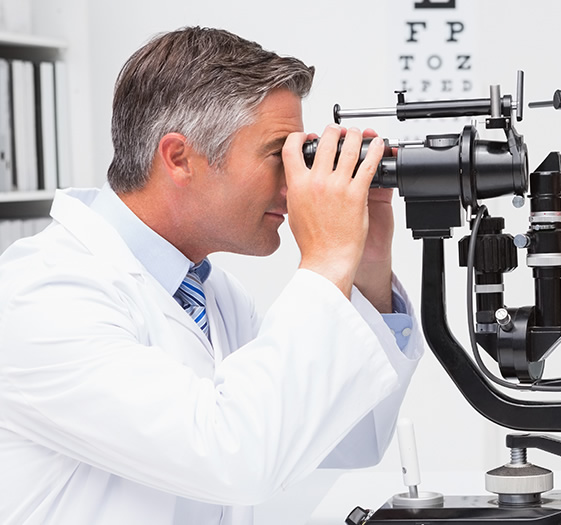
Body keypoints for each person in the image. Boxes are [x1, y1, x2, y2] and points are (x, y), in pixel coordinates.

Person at [0, 27, 423, 524]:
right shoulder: (42, 295)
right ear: (179, 158)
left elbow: (345, 439)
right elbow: (234, 456)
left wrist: (366, 264)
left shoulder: (210, 294)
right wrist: (326, 259)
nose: (297, 183)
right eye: (278, 154)